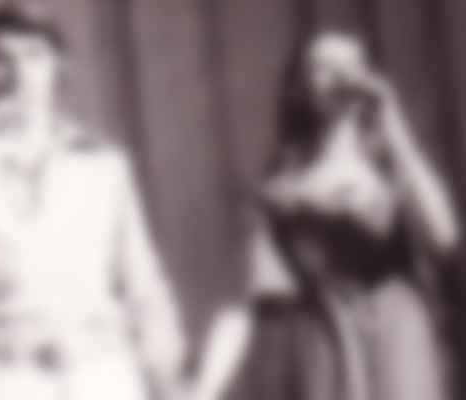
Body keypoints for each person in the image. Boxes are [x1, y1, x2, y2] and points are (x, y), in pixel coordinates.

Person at [0, 4, 186, 400]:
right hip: (6, 378)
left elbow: (143, 284)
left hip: (103, 373)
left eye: (35, 56)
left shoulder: (103, 164)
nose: (20, 75)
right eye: (0, 60)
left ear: (58, 66)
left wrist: (171, 380)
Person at [191, 31, 458, 400]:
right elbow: (241, 306)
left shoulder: (394, 173)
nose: (341, 74)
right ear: (299, 90)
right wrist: (200, 390)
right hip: (330, 355)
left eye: (351, 63)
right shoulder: (281, 194)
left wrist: (395, 131)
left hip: (403, 346)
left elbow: (444, 236)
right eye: (323, 67)